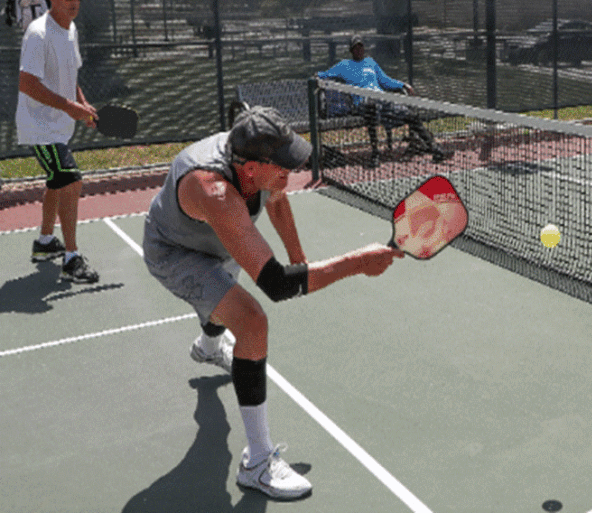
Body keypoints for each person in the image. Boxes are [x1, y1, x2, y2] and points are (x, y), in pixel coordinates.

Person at [142, 105, 403, 500]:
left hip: (219, 238)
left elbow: (277, 199)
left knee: (222, 301)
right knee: (250, 320)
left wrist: (300, 259)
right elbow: (278, 286)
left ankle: (208, 347)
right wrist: (357, 263)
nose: (290, 173)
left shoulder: (259, 166)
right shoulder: (214, 189)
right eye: (281, 165)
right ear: (249, 169)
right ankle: (258, 463)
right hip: (176, 251)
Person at [16, 0, 99, 283]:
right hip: (39, 127)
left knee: (56, 181)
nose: (74, 1)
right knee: (70, 182)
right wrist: (69, 107)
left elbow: (71, 76)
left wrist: (83, 105)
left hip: (60, 125)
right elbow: (26, 83)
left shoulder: (70, 30)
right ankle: (71, 259)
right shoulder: (38, 34)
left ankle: (45, 242)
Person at [317, 35, 451, 167]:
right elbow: (324, 75)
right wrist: (316, 78)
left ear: (364, 49)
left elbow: (385, 81)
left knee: (411, 116)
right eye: (355, 48)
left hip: (383, 100)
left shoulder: (371, 62)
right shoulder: (344, 65)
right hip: (363, 103)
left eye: (360, 47)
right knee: (372, 108)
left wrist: (402, 85)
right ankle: (375, 154)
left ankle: (435, 149)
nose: (358, 50)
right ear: (351, 51)